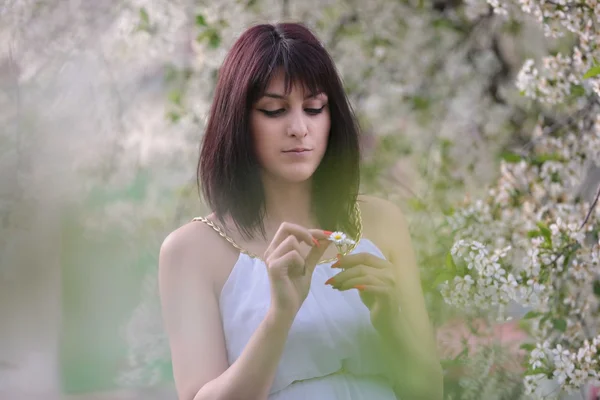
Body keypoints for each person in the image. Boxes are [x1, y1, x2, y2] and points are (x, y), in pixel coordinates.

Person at [159, 22, 443, 400]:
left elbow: (429, 391)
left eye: (314, 108)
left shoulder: (381, 222)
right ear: (238, 121)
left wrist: (390, 320)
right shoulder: (192, 250)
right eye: (274, 111)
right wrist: (279, 318)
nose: (299, 128)